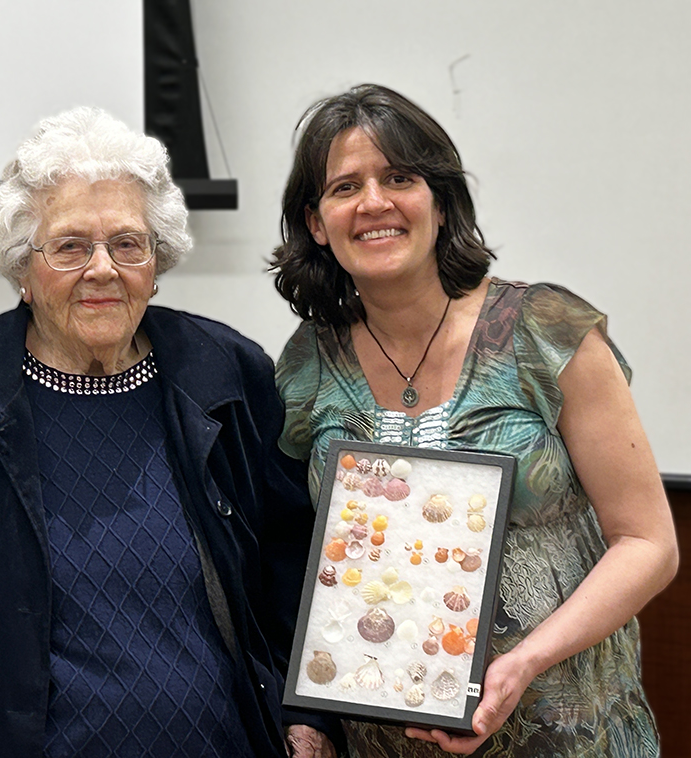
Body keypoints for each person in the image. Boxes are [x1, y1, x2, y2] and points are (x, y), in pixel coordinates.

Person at [0, 107, 340, 758]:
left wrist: (308, 715)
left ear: (157, 262)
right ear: (23, 270)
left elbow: (298, 563)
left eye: (127, 244)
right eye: (70, 246)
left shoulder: (225, 373)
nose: (103, 269)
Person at [271, 83, 678, 757]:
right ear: (317, 222)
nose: (374, 203)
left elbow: (648, 544)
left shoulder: (545, 332)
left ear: (439, 199)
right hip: (385, 741)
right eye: (345, 188)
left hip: (568, 732)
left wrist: (521, 664)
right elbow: (296, 552)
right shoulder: (306, 365)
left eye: (398, 178)